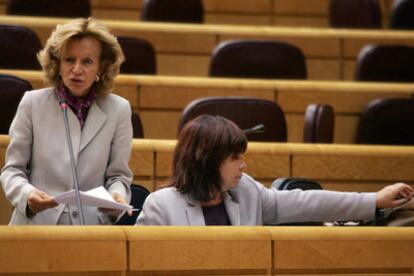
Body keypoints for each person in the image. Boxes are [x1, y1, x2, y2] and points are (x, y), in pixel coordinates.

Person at [136, 115, 413, 226]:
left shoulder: (245, 191)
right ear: (207, 159)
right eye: (234, 158)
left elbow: (307, 202)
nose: (243, 165)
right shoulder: (161, 207)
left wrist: (374, 200)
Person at [1, 17, 133, 225]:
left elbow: (119, 176)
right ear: (57, 63)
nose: (77, 69)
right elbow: (13, 170)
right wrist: (27, 195)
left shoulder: (119, 110)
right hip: (37, 226)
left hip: (89, 229)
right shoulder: (32, 103)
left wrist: (116, 197)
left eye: (87, 61)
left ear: (101, 67)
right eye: (69, 60)